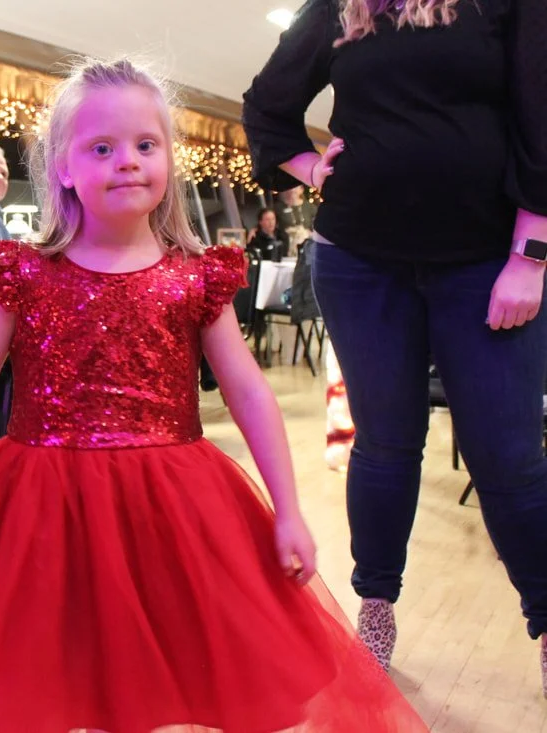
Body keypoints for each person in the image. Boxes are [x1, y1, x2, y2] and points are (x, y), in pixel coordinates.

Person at [0, 58, 427, 732]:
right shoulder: (27, 273)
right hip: (39, 506)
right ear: (65, 168)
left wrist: (288, 509)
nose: (127, 161)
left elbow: (249, 390)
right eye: (101, 147)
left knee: (151, 671)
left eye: (145, 144)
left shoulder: (194, 278)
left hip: (170, 505)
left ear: (169, 158)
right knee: (46, 664)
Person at [243, 0, 547, 684]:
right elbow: (267, 106)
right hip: (360, 257)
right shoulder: (342, 7)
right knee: (384, 443)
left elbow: (541, 120)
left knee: (508, 458)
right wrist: (312, 168)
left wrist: (530, 256)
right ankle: (375, 606)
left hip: (485, 261)